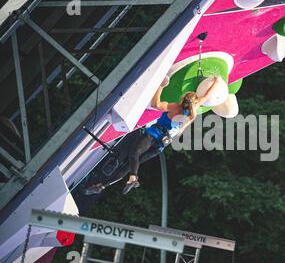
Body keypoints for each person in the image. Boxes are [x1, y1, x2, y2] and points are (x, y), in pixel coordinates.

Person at [82, 74, 220, 196]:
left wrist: (161, 86)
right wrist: (217, 82)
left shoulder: (175, 107)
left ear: (183, 98)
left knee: (133, 155)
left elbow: (156, 103)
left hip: (153, 135)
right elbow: (207, 96)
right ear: (194, 102)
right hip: (161, 145)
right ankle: (102, 186)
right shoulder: (191, 113)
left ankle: (133, 178)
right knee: (129, 166)